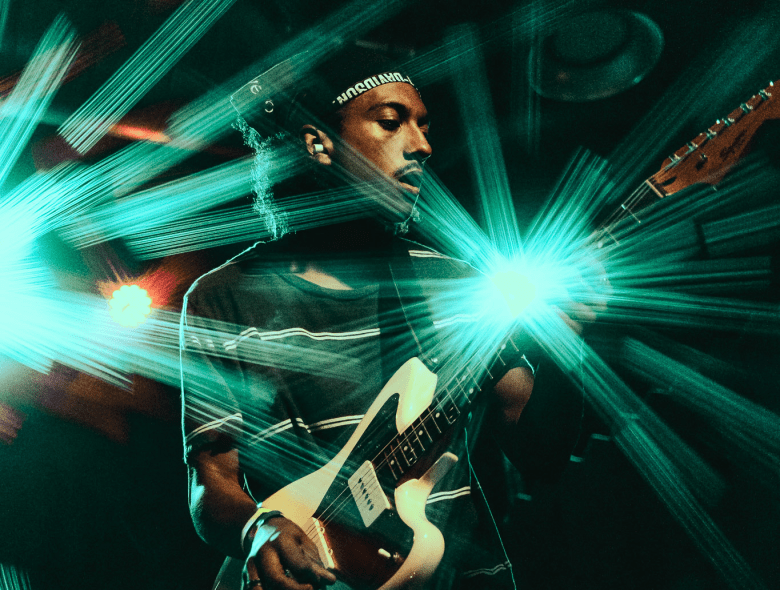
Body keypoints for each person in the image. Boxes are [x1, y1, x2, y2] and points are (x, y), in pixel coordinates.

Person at [180, 46, 585, 590]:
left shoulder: (454, 286)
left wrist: (568, 350)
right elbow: (211, 481)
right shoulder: (223, 297)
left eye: (423, 126)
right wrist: (259, 529)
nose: (422, 145)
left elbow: (541, 453)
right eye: (392, 122)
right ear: (318, 143)